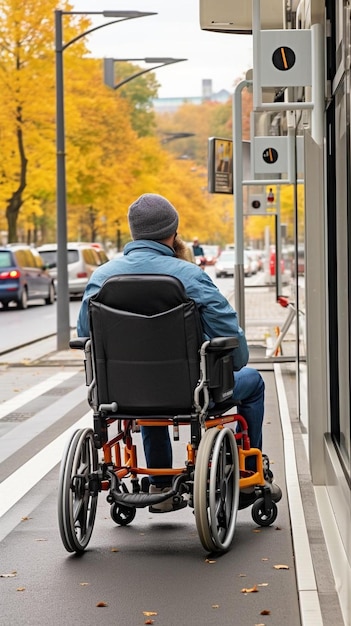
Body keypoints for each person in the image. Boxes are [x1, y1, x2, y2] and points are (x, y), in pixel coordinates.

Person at [77, 193, 281, 512]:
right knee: (252, 381)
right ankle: (247, 472)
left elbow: (84, 334)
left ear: (133, 231)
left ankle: (159, 481)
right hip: (190, 392)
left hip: (120, 392)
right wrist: (234, 361)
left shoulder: (101, 277)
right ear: (173, 232)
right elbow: (231, 341)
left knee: (143, 387)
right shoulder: (189, 276)